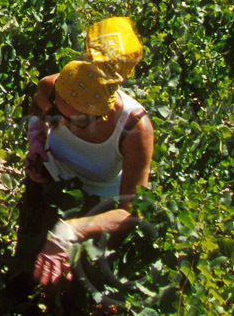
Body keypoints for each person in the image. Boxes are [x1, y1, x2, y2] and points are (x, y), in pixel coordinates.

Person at [18, 17, 155, 297]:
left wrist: (75, 229)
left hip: (97, 208)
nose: (64, 124)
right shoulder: (56, 87)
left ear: (100, 116)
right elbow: (37, 107)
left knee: (73, 291)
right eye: (59, 113)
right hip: (47, 180)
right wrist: (37, 142)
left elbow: (131, 212)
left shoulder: (134, 129)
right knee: (24, 266)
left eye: (77, 122)